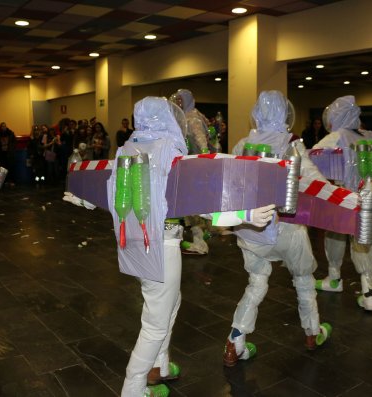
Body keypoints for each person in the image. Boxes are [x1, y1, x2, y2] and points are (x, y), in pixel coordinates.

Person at [64, 97, 273, 397]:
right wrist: (246, 216)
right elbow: (201, 201)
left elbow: (111, 191)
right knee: (155, 324)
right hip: (163, 246)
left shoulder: (128, 149)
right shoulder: (169, 154)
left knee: (166, 303)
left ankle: (159, 365)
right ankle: (133, 388)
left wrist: (82, 197)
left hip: (132, 243)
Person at [223, 91, 332, 367]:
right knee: (304, 280)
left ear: (257, 112)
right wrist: (344, 200)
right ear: (285, 113)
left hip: (251, 230)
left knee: (256, 282)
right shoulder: (292, 145)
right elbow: (315, 182)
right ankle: (311, 332)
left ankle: (235, 340)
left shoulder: (242, 145)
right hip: (288, 229)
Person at [313, 96, 372, 311]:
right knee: (365, 241)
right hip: (369, 197)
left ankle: (335, 278)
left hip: (341, 197)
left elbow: (311, 159)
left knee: (334, 235)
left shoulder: (336, 137)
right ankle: (369, 292)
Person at [170, 89, 212, 255]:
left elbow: (202, 143)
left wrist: (203, 164)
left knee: (192, 207)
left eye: (180, 100)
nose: (178, 103)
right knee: (191, 207)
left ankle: (200, 243)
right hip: (191, 167)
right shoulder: (189, 115)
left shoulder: (192, 118)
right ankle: (199, 238)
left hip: (195, 168)